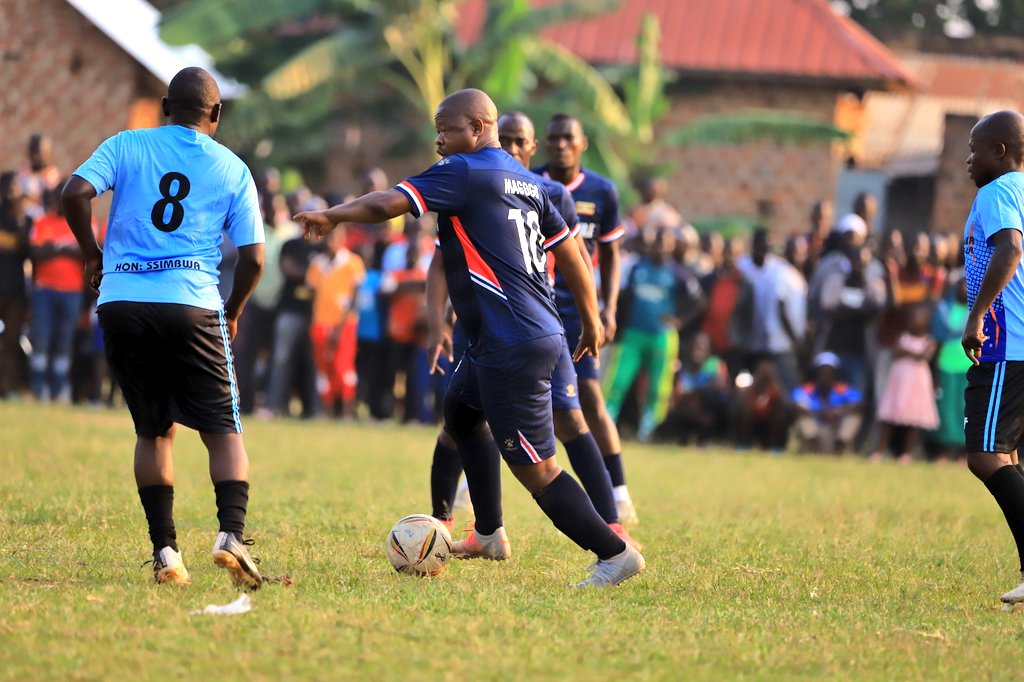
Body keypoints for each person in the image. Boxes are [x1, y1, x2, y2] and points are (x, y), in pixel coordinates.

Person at [294, 89, 644, 587]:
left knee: (538, 470)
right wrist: (589, 320)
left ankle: (614, 553)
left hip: (511, 343)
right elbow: (572, 255)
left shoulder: (463, 170)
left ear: (478, 128)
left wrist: (334, 215)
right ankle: (488, 533)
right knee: (461, 412)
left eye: (447, 129)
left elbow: (388, 203)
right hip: (524, 335)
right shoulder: (528, 181)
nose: (438, 140)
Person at [61, 67, 265, 589]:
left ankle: (166, 552)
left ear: (165, 106)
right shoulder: (232, 167)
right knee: (223, 431)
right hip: (192, 304)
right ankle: (231, 535)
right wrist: (234, 310)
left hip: (122, 302)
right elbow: (254, 258)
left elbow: (74, 192)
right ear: (216, 114)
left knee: (152, 431)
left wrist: (93, 255)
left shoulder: (126, 144)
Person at [425, 111, 636, 550]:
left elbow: (579, 259)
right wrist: (438, 321)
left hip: (537, 328)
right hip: (481, 323)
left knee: (572, 419)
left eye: (521, 141)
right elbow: (442, 261)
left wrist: (597, 314)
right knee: (458, 420)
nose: (513, 148)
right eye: (507, 139)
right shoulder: (475, 184)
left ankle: (612, 527)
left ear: (531, 147)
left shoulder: (549, 193)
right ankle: (454, 525)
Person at [536, 113, 639, 524]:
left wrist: (606, 309)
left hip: (579, 309)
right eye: (554, 137)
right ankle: (470, 489)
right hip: (536, 304)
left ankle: (619, 492)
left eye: (569, 137)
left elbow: (611, 254)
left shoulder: (602, 191)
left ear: (583, 144)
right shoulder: (529, 183)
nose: (561, 144)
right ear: (544, 144)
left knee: (590, 397)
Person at [959, 110, 1024, 604]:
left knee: (986, 455)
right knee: (1011, 456)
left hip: (1007, 345)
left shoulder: (998, 192)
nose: (967, 160)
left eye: (974, 150)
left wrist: (977, 314)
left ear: (999, 152)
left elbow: (1010, 249)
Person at [604, 227, 703, 441]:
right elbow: (623, 294)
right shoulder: (637, 268)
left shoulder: (677, 273)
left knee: (658, 388)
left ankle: (651, 429)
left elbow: (699, 301)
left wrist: (680, 320)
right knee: (618, 382)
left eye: (664, 243)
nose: (660, 247)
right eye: (657, 242)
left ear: (672, 246)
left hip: (662, 337)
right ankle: (605, 424)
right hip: (633, 335)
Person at [28, 183, 84, 403]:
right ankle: (38, 388)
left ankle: (59, 389)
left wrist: (56, 248)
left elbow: (88, 252)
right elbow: (36, 252)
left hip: (72, 290)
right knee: (41, 338)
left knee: (64, 341)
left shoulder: (83, 221)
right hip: (45, 289)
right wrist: (66, 249)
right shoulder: (42, 222)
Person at [307, 223, 365, 419]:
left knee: (343, 367)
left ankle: (347, 411)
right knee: (323, 367)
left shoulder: (352, 262)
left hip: (344, 323)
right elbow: (312, 291)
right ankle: (327, 411)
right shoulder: (317, 263)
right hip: (321, 321)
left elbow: (355, 298)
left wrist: (341, 326)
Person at [872, 304, 939, 462]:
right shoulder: (901, 337)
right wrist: (913, 353)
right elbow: (897, 352)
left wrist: (908, 352)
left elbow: (925, 356)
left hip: (917, 384)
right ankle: (879, 451)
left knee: (913, 421)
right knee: (890, 419)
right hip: (900, 383)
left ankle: (906, 454)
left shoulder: (930, 341)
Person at [791, 352, 863, 455]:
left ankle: (840, 447)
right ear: (817, 373)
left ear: (835, 374)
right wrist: (820, 412)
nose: (825, 376)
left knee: (854, 416)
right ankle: (813, 447)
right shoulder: (808, 389)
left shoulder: (842, 389)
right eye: (822, 372)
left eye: (829, 372)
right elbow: (796, 403)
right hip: (816, 428)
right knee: (803, 413)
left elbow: (859, 403)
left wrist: (838, 412)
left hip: (836, 428)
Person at [0, 171, 31, 399]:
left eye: (15, 189)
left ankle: (8, 387)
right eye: (9, 189)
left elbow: (29, 253)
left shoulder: (25, 220)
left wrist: (20, 222)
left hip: (15, 291)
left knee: (11, 341)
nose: (12, 194)